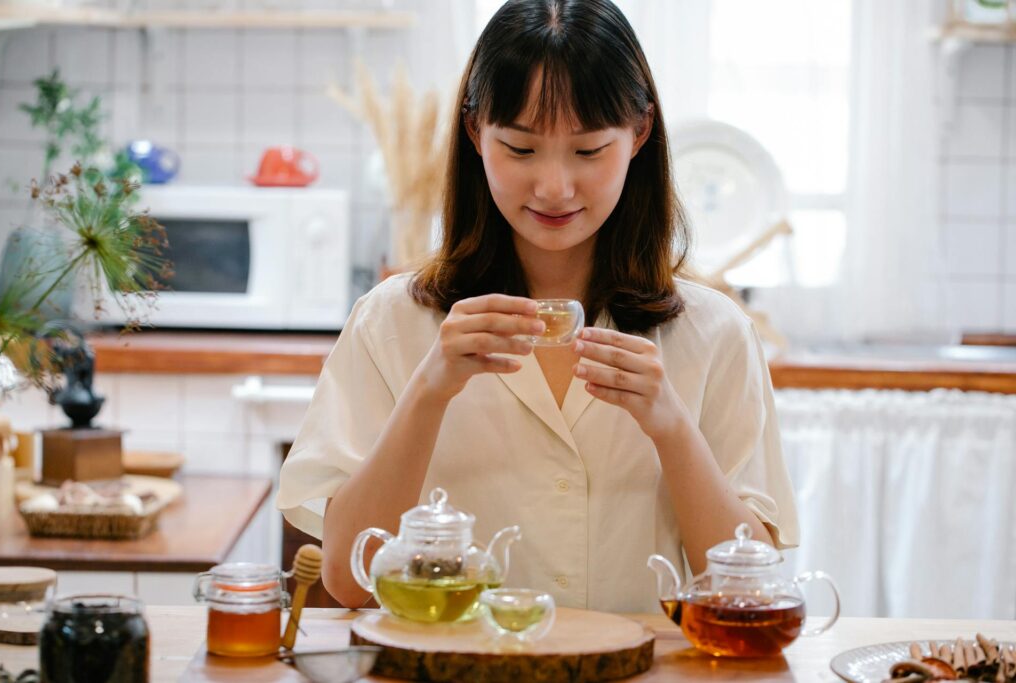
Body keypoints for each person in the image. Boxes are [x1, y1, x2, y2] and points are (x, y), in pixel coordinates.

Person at [277, 0, 798, 613]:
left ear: (639, 134)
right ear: (476, 133)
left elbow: (752, 595)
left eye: (587, 151)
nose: (554, 187)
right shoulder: (393, 321)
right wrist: (429, 392)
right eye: (521, 150)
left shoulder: (714, 333)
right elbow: (348, 580)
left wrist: (672, 428)